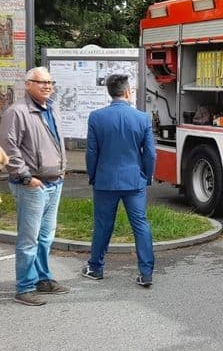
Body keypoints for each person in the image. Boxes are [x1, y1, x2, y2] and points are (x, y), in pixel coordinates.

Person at [0, 67, 69, 306]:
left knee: (45, 237)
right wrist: (26, 178)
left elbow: (55, 143)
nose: (47, 86)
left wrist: (61, 168)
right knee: (29, 239)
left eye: (50, 82)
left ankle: (43, 279)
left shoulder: (52, 108)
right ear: (28, 84)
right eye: (41, 82)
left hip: (54, 182)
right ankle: (24, 287)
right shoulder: (16, 112)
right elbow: (9, 148)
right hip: (31, 185)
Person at [82, 74, 156, 287]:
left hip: (105, 180)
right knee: (140, 224)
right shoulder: (142, 118)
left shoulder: (96, 117)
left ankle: (95, 268)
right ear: (127, 92)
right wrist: (146, 176)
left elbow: (91, 153)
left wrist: (93, 175)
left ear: (110, 92)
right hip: (134, 180)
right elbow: (150, 154)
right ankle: (146, 273)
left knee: (103, 225)